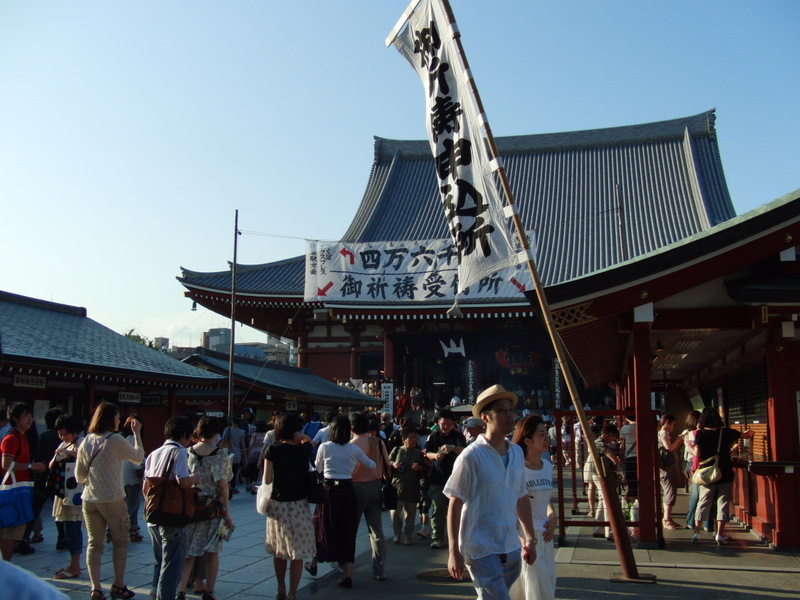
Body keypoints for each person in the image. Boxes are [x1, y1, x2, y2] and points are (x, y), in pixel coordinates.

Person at [444, 385, 536, 600]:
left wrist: (530, 538)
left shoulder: (516, 452)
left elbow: (521, 497)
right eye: (502, 410)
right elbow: (455, 503)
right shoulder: (471, 456)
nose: (510, 415)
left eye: (511, 410)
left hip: (510, 544)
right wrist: (453, 552)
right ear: (485, 417)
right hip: (480, 546)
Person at [75, 402, 144, 600]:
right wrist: (137, 433)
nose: (119, 421)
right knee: (120, 541)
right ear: (110, 419)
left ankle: (96, 588)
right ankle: (118, 584)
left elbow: (79, 475)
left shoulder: (87, 440)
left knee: (94, 544)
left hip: (90, 498)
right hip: (113, 497)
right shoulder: (115, 439)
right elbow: (138, 457)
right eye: (117, 417)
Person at [313, 415, 376, 589]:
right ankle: (347, 574)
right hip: (347, 490)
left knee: (323, 526)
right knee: (347, 529)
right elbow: (371, 465)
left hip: (328, 490)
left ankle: (315, 562)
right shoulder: (353, 449)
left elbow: (318, 467)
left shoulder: (325, 447)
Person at [144, 416, 199, 600]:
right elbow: (182, 481)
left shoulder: (154, 453)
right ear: (183, 435)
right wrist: (194, 478)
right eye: (189, 436)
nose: (190, 440)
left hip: (153, 515)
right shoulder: (180, 452)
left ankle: (155, 593)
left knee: (160, 561)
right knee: (172, 565)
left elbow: (146, 488)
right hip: (172, 516)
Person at [177, 417, 233, 600]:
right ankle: (209, 591)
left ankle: (181, 590)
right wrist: (227, 512)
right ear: (216, 433)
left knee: (190, 551)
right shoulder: (220, 454)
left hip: (192, 506)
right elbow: (223, 484)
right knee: (213, 551)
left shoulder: (188, 452)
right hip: (212, 508)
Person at [262, 414, 315, 600]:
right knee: (296, 552)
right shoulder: (304, 449)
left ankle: (281, 589)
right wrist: (305, 438)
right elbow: (311, 443)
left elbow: (267, 479)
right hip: (299, 504)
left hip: (279, 504)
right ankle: (293, 593)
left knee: (279, 550)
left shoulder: (272, 450)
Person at [510, 415, 557, 600]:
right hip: (526, 537)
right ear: (527, 440)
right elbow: (511, 506)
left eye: (546, 434)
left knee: (546, 584)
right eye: (541, 435)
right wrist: (523, 540)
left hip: (545, 536)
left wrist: (553, 516)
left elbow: (544, 498)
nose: (546, 439)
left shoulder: (547, 466)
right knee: (531, 587)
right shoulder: (518, 469)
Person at [691, 408, 753, 545]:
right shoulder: (726, 432)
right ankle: (719, 533)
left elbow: (697, 453)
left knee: (703, 502)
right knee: (723, 503)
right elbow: (745, 435)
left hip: (707, 474)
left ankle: (697, 532)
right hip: (724, 472)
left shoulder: (700, 433)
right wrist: (750, 432)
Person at [1, 402, 47, 561]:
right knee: (12, 530)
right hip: (12, 489)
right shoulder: (12, 438)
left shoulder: (22, 437)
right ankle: (6, 566)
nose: (29, 420)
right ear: (15, 418)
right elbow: (6, 464)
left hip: (18, 487)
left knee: (8, 529)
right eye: (25, 416)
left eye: (30, 416)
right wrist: (30, 466)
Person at [350, 412, 390, 581]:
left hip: (355, 487)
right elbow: (387, 464)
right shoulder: (378, 442)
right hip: (375, 485)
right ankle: (379, 569)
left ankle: (346, 566)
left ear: (351, 428)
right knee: (376, 530)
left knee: (350, 529)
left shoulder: (350, 445)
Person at [423, 408, 466, 549]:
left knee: (457, 510)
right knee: (438, 509)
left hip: (455, 479)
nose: (445, 426)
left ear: (453, 423)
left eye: (448, 424)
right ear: (438, 423)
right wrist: (435, 456)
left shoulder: (458, 436)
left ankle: (458, 538)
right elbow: (426, 452)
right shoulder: (434, 435)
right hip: (437, 478)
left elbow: (465, 451)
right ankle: (437, 537)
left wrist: (452, 448)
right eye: (443, 424)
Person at [50, 415, 84, 580]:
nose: (63, 437)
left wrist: (67, 453)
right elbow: (51, 464)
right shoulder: (63, 445)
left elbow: (83, 456)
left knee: (73, 528)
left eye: (66, 434)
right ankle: (73, 564)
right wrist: (59, 454)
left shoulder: (81, 442)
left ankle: (75, 566)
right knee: (68, 528)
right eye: (61, 434)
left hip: (75, 492)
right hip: (64, 491)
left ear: (73, 431)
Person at [389, 428, 426, 545]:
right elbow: (388, 462)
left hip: (412, 487)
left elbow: (425, 469)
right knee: (395, 512)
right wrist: (393, 464)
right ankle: (397, 534)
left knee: (410, 513)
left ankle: (408, 535)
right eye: (411, 438)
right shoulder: (397, 450)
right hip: (397, 485)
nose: (414, 440)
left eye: (415, 438)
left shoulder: (418, 453)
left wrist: (420, 468)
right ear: (404, 439)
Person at [588, 424, 622, 540]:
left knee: (603, 500)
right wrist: (617, 466)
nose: (614, 439)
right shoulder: (601, 444)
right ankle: (610, 531)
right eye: (614, 437)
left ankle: (599, 529)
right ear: (609, 434)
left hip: (597, 474)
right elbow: (613, 458)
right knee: (608, 500)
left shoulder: (596, 442)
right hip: (602, 475)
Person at [121, 416, 145, 543]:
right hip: (132, 476)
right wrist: (140, 475)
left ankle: (134, 529)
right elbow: (136, 459)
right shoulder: (134, 438)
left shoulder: (122, 438)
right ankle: (118, 526)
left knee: (133, 505)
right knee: (132, 504)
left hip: (122, 475)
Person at [658, 414, 683, 530]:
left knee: (669, 491)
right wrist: (679, 439)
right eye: (673, 424)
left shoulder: (661, 433)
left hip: (663, 467)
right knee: (670, 491)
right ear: (667, 422)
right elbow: (669, 447)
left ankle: (667, 518)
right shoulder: (664, 433)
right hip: (666, 468)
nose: (674, 427)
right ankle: (666, 519)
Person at [681, 410, 701, 529]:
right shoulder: (697, 433)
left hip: (690, 462)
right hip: (697, 462)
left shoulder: (686, 433)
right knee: (698, 493)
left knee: (695, 492)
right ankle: (693, 520)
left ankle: (691, 520)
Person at [221, 419, 246, 498]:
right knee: (234, 472)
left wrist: (218, 450)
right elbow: (242, 444)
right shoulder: (242, 432)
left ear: (232, 421)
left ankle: (228, 488)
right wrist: (245, 456)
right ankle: (232, 487)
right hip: (237, 454)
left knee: (226, 472)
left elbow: (223, 441)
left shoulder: (227, 430)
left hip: (227, 453)